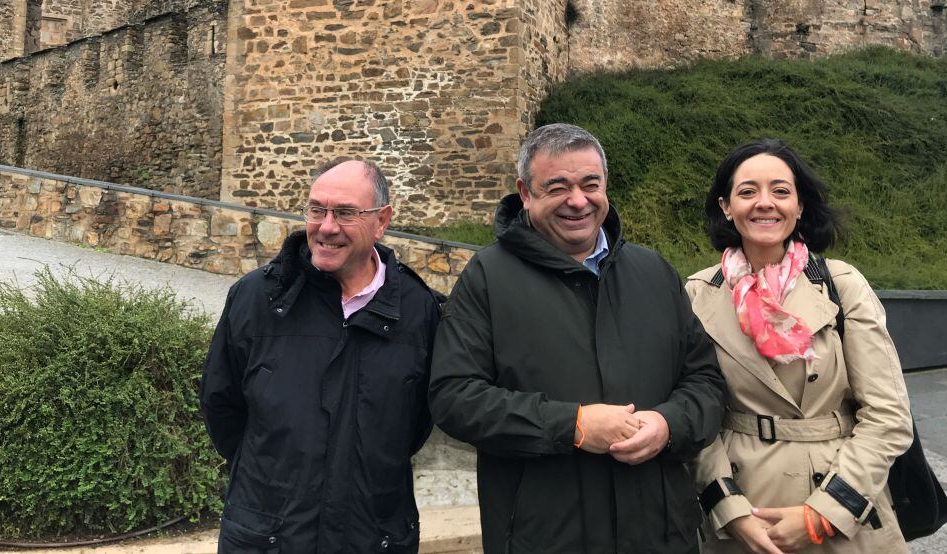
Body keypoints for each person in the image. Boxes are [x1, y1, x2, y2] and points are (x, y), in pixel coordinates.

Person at [428, 123, 726, 554]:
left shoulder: (654, 273)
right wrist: (574, 426)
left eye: (591, 184)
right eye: (558, 187)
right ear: (525, 193)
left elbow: (706, 382)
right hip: (544, 538)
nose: (578, 201)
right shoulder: (487, 279)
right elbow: (454, 398)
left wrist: (668, 424)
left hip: (660, 534)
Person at [200, 158, 442, 554]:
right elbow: (221, 406)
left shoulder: (417, 309)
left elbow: (414, 425)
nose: (326, 227)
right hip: (267, 538)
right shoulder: (256, 298)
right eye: (317, 210)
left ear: (382, 221)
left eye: (345, 213)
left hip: (373, 538)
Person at [686, 138, 912, 554]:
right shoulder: (698, 294)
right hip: (743, 508)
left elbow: (888, 416)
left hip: (842, 502)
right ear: (725, 206)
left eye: (781, 191)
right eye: (747, 191)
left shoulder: (841, 285)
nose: (764, 203)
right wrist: (729, 510)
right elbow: (695, 414)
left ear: (800, 206)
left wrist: (822, 514)